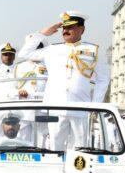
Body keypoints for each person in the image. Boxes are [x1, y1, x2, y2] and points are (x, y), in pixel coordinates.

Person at [17, 11, 111, 150]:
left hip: (80, 107)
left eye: (70, 27)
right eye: (64, 28)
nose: (65, 31)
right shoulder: (52, 50)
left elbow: (103, 79)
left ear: (82, 29)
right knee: (54, 148)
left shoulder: (92, 50)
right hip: (55, 108)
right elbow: (24, 53)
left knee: (80, 151)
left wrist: (94, 105)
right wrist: (43, 33)